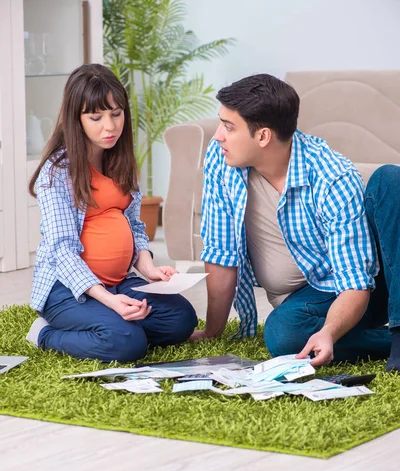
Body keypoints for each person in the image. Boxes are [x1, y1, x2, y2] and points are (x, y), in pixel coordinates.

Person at [191, 73, 400, 371]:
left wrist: (329, 332)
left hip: (362, 284)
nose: (217, 136)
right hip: (308, 300)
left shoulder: (331, 176)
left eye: (228, 127)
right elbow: (221, 251)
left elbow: (354, 280)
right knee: (283, 336)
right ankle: (382, 341)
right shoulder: (222, 158)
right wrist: (212, 331)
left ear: (262, 136)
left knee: (390, 179)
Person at [26, 63, 197, 363]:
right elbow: (62, 250)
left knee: (181, 320)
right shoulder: (57, 173)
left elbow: (133, 224)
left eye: (116, 114)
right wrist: (109, 301)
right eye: (96, 117)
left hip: (118, 281)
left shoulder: (120, 160)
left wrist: (147, 268)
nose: (110, 126)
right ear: (75, 119)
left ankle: (113, 325)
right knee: (127, 344)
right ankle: (44, 333)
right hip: (67, 289)